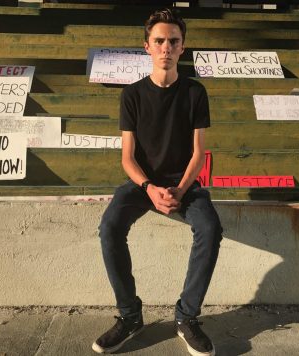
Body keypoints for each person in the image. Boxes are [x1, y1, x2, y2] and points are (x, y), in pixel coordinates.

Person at [92, 8, 222, 356]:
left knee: (210, 229)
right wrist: (149, 188)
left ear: (183, 47)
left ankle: (187, 317)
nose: (166, 47)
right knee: (109, 228)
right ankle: (130, 316)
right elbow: (127, 158)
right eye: (159, 41)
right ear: (147, 46)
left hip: (184, 185)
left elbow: (198, 154)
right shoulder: (132, 95)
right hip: (142, 184)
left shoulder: (195, 92)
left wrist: (179, 189)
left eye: (173, 41)